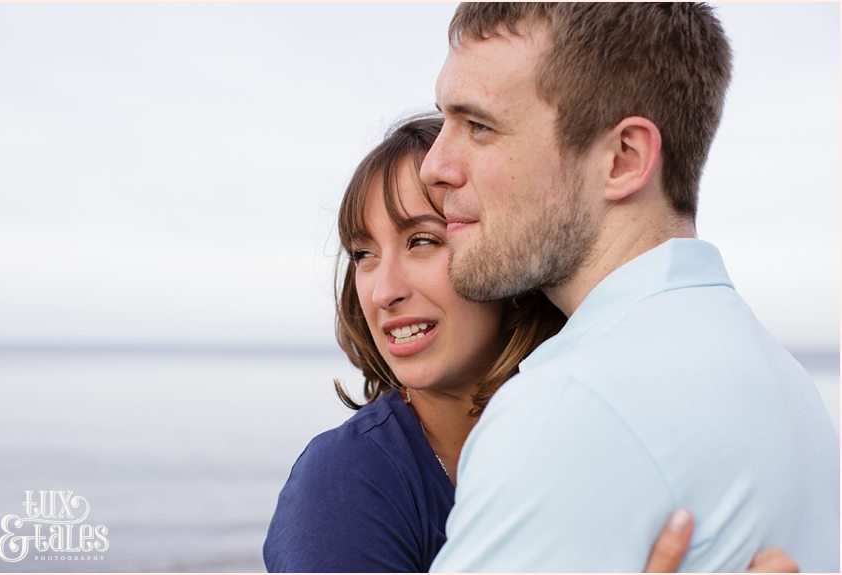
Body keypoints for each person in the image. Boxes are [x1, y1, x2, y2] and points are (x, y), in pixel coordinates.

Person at [262, 115, 799, 573]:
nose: (383, 291)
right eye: (363, 255)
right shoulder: (346, 480)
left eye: (423, 241)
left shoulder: (588, 430)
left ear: (499, 256)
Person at [417, 3, 839, 572]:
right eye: (444, 120)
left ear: (622, 159)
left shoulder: (568, 410)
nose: (434, 166)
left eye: (479, 126)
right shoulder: (786, 385)